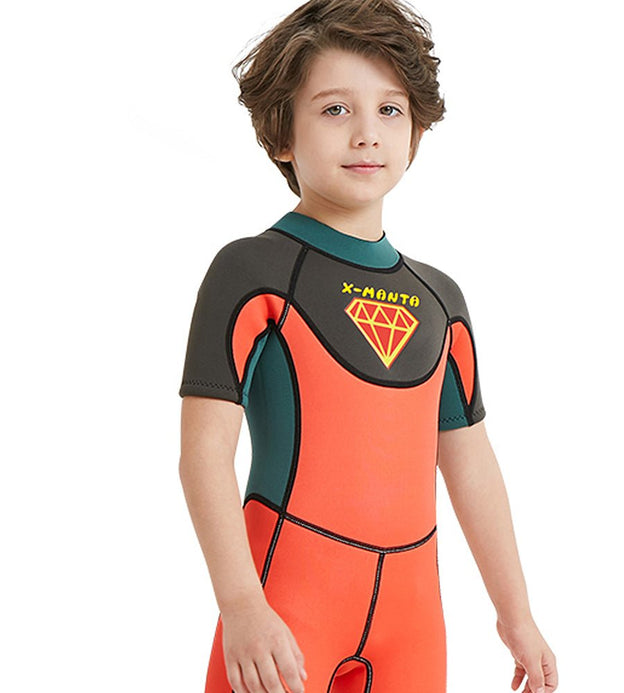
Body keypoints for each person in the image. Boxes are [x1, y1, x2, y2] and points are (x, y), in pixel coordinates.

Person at [178, 1, 558, 692]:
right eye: (334, 109)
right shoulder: (251, 271)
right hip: (285, 605)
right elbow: (203, 453)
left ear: (415, 134)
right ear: (281, 135)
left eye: (389, 110)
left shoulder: (440, 299)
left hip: (412, 622)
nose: (366, 134)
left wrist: (516, 614)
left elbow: (470, 461)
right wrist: (241, 605)